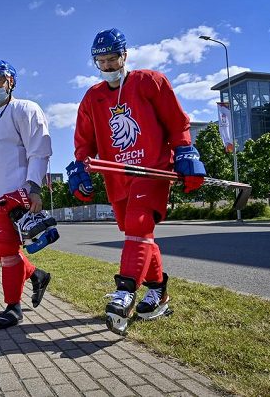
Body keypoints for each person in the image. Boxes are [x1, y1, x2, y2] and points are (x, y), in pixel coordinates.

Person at [66, 28, 206, 335]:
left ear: (124, 55)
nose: (108, 67)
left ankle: (125, 292)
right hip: (118, 178)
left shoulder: (150, 81)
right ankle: (158, 291)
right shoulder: (92, 98)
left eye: (112, 59)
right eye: (101, 62)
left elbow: (176, 121)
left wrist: (185, 151)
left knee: (139, 224)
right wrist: (80, 168)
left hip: (152, 169)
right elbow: (84, 142)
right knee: (137, 234)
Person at [0, 60, 54, 330]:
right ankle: (36, 274)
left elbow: (38, 150)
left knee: (8, 251)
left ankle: (13, 308)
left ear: (11, 81)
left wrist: (34, 186)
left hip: (14, 194)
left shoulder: (25, 109)